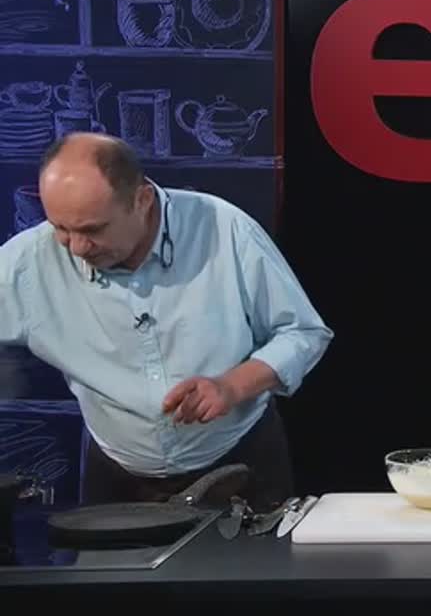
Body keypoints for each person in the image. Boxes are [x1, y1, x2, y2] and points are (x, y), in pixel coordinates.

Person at [0, 133, 333, 510]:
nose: (76, 247)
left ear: (141, 201)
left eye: (93, 230)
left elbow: (302, 332)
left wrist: (231, 386)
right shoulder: (28, 261)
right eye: (60, 228)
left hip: (240, 461)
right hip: (116, 476)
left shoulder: (224, 229)